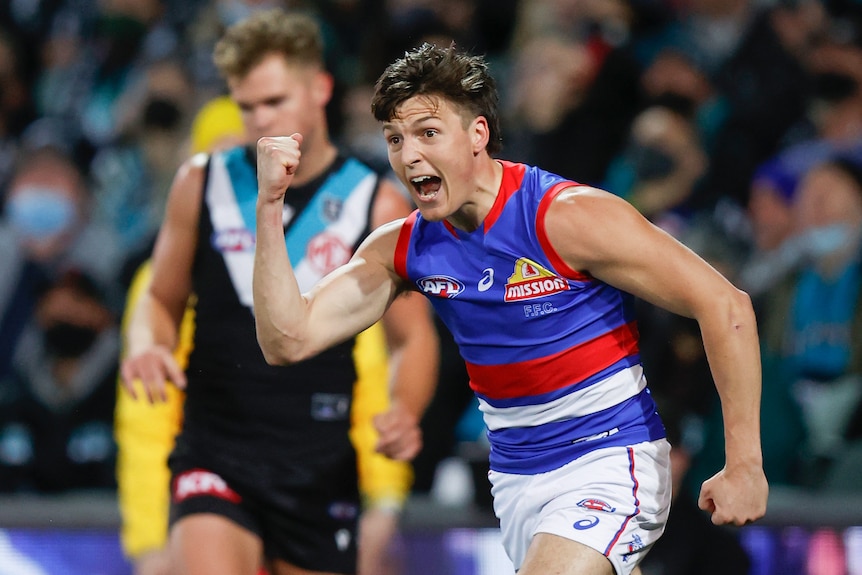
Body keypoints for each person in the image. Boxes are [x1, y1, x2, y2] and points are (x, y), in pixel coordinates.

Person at [253, 43, 769, 575]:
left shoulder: (565, 217)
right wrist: (268, 207)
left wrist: (744, 463)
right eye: (395, 139)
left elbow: (725, 304)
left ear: (478, 134)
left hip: (610, 459)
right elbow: (288, 340)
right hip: (517, 481)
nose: (408, 156)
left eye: (428, 133)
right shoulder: (404, 249)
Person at [119, 10, 438, 575]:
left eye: (274, 101)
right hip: (214, 450)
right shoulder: (203, 183)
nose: (259, 120)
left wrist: (405, 411)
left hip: (317, 462)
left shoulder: (374, 204)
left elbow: (412, 337)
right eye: (246, 106)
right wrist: (148, 342)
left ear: (319, 88)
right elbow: (158, 297)